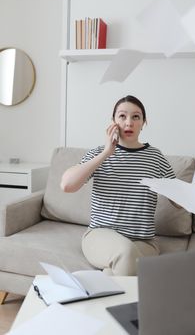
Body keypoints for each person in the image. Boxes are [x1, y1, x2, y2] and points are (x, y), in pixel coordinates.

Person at [61, 95, 176, 276]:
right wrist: (106, 152)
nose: (128, 122)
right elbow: (67, 185)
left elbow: (177, 200)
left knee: (115, 269)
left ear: (144, 122)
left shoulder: (156, 157)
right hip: (99, 236)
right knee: (126, 253)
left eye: (136, 117)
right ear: (113, 122)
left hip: (144, 242)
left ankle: (106, 290)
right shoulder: (98, 154)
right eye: (122, 116)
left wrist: (193, 196)